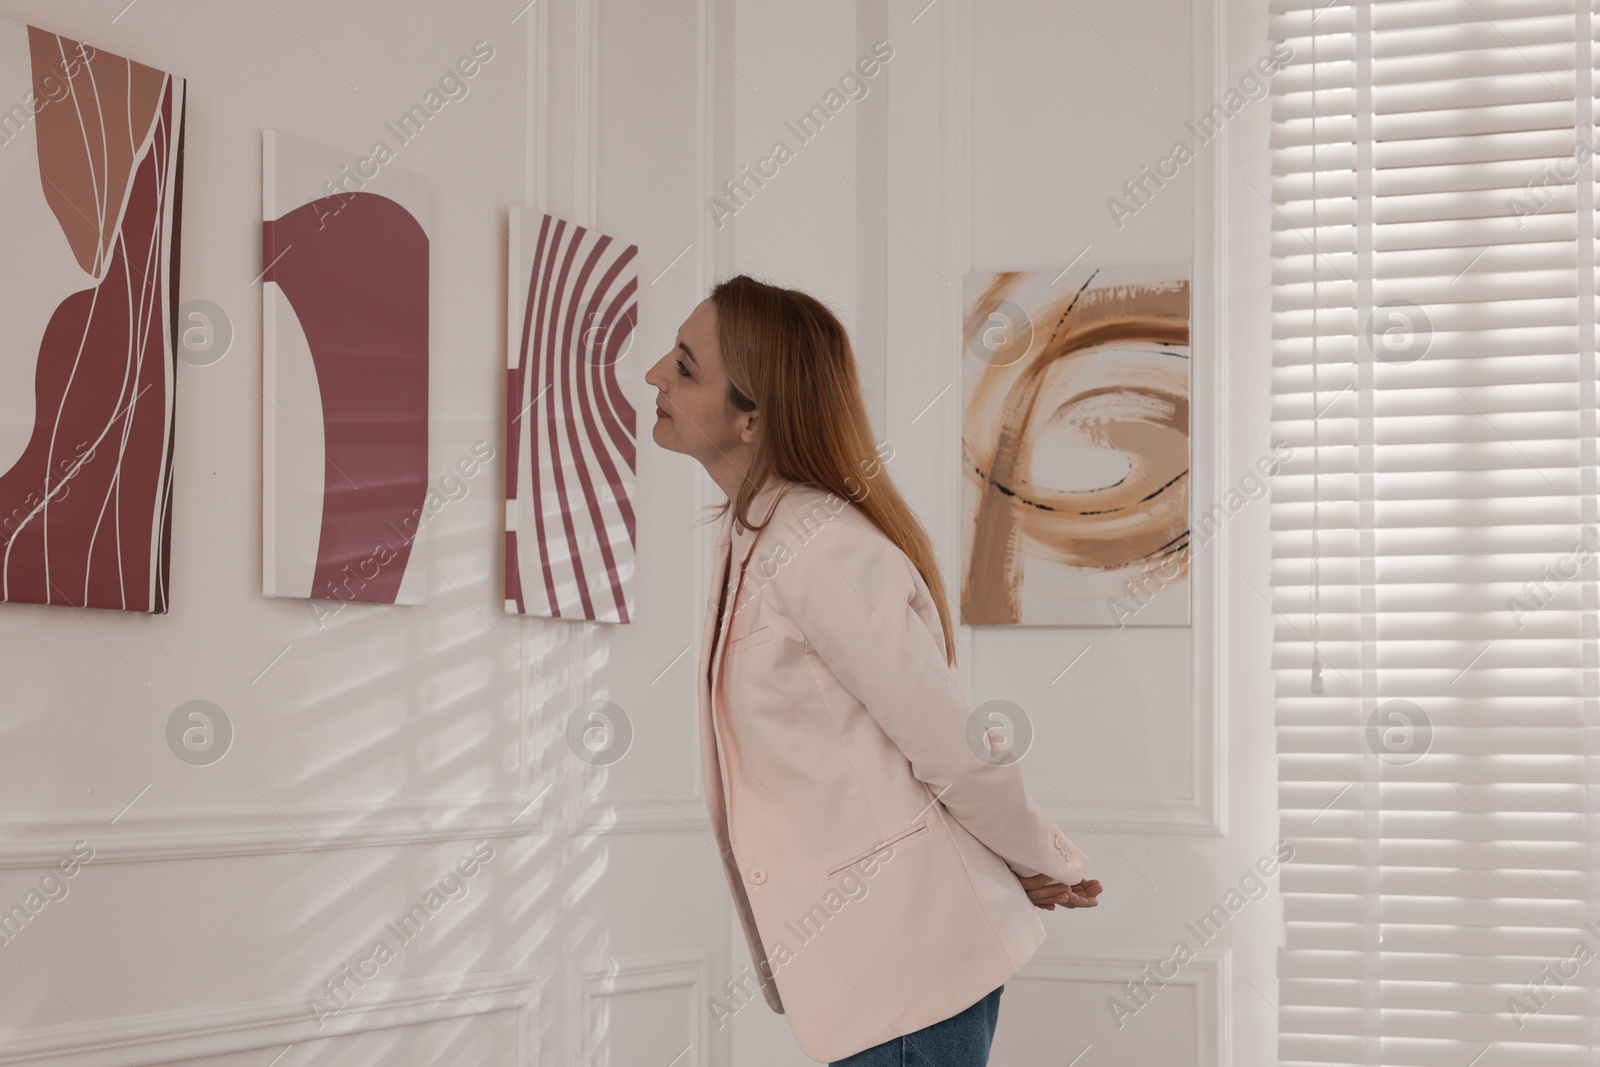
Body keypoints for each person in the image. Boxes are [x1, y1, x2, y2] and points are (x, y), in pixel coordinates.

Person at [644, 273, 1104, 1065]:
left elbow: (952, 745)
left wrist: (1045, 859)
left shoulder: (821, 546)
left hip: (911, 970)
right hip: (869, 971)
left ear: (752, 415)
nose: (654, 372)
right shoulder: (747, 535)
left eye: (686, 365)